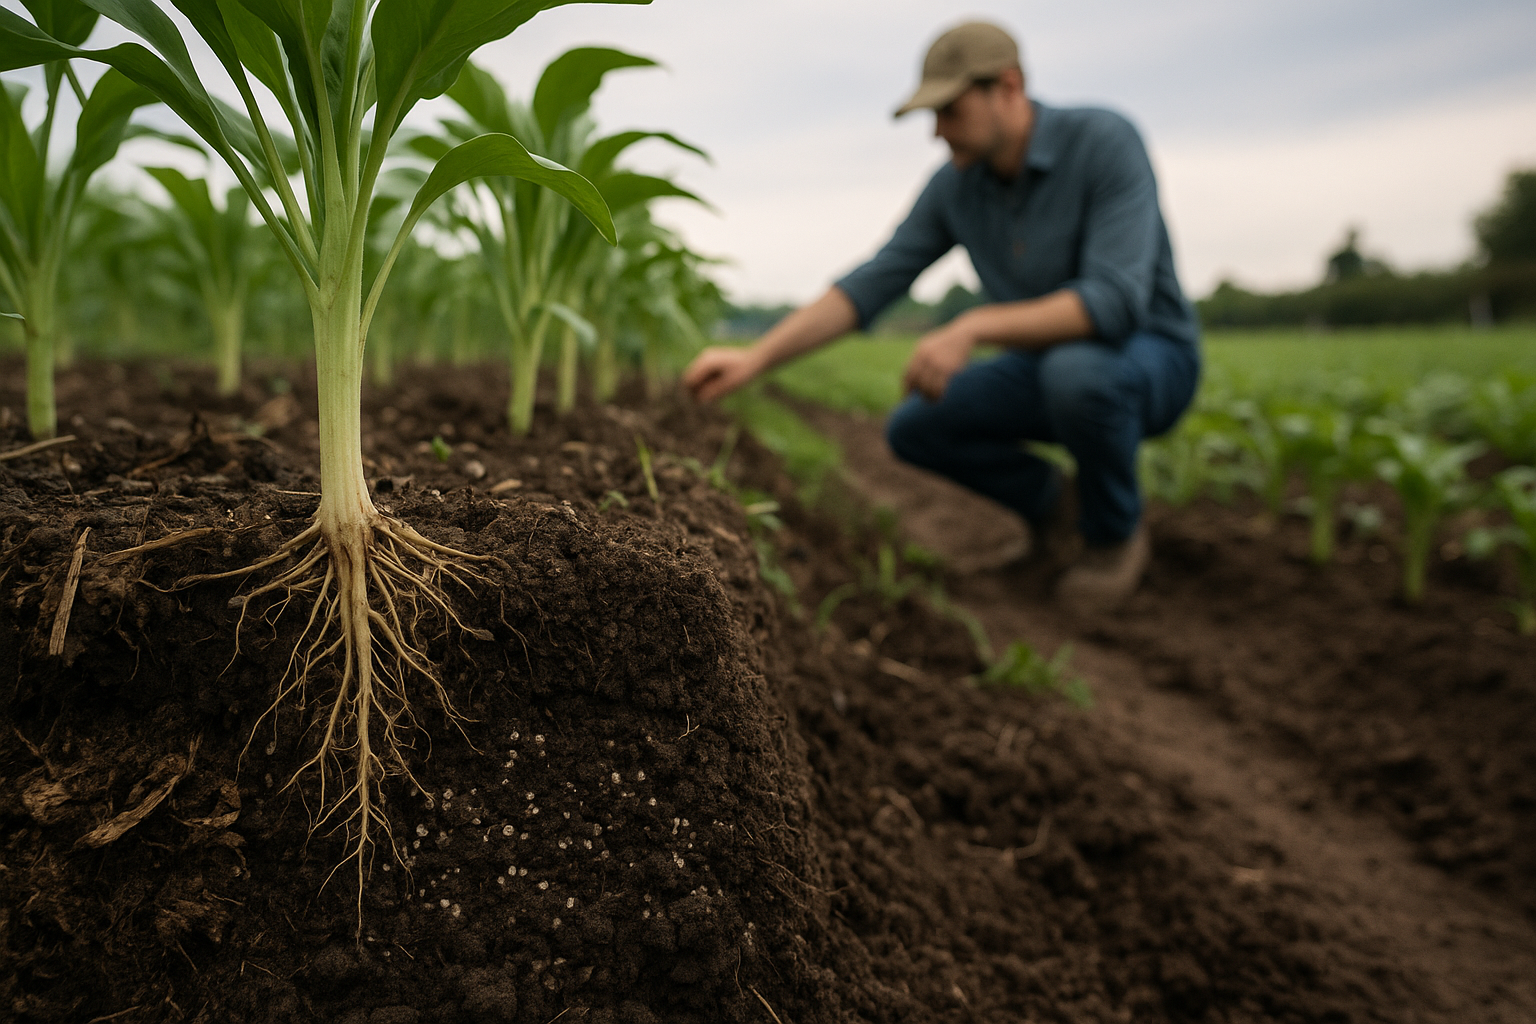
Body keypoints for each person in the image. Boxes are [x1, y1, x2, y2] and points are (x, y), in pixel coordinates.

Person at [682, 21, 1201, 611]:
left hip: (1149, 358)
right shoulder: (958, 186)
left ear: (1007, 87)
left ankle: (1113, 536)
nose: (937, 132)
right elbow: (873, 283)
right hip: (1049, 367)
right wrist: (755, 360)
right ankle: (1061, 510)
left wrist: (971, 327)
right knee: (918, 425)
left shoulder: (1104, 142)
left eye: (949, 111)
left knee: (1078, 374)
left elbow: (1114, 302)